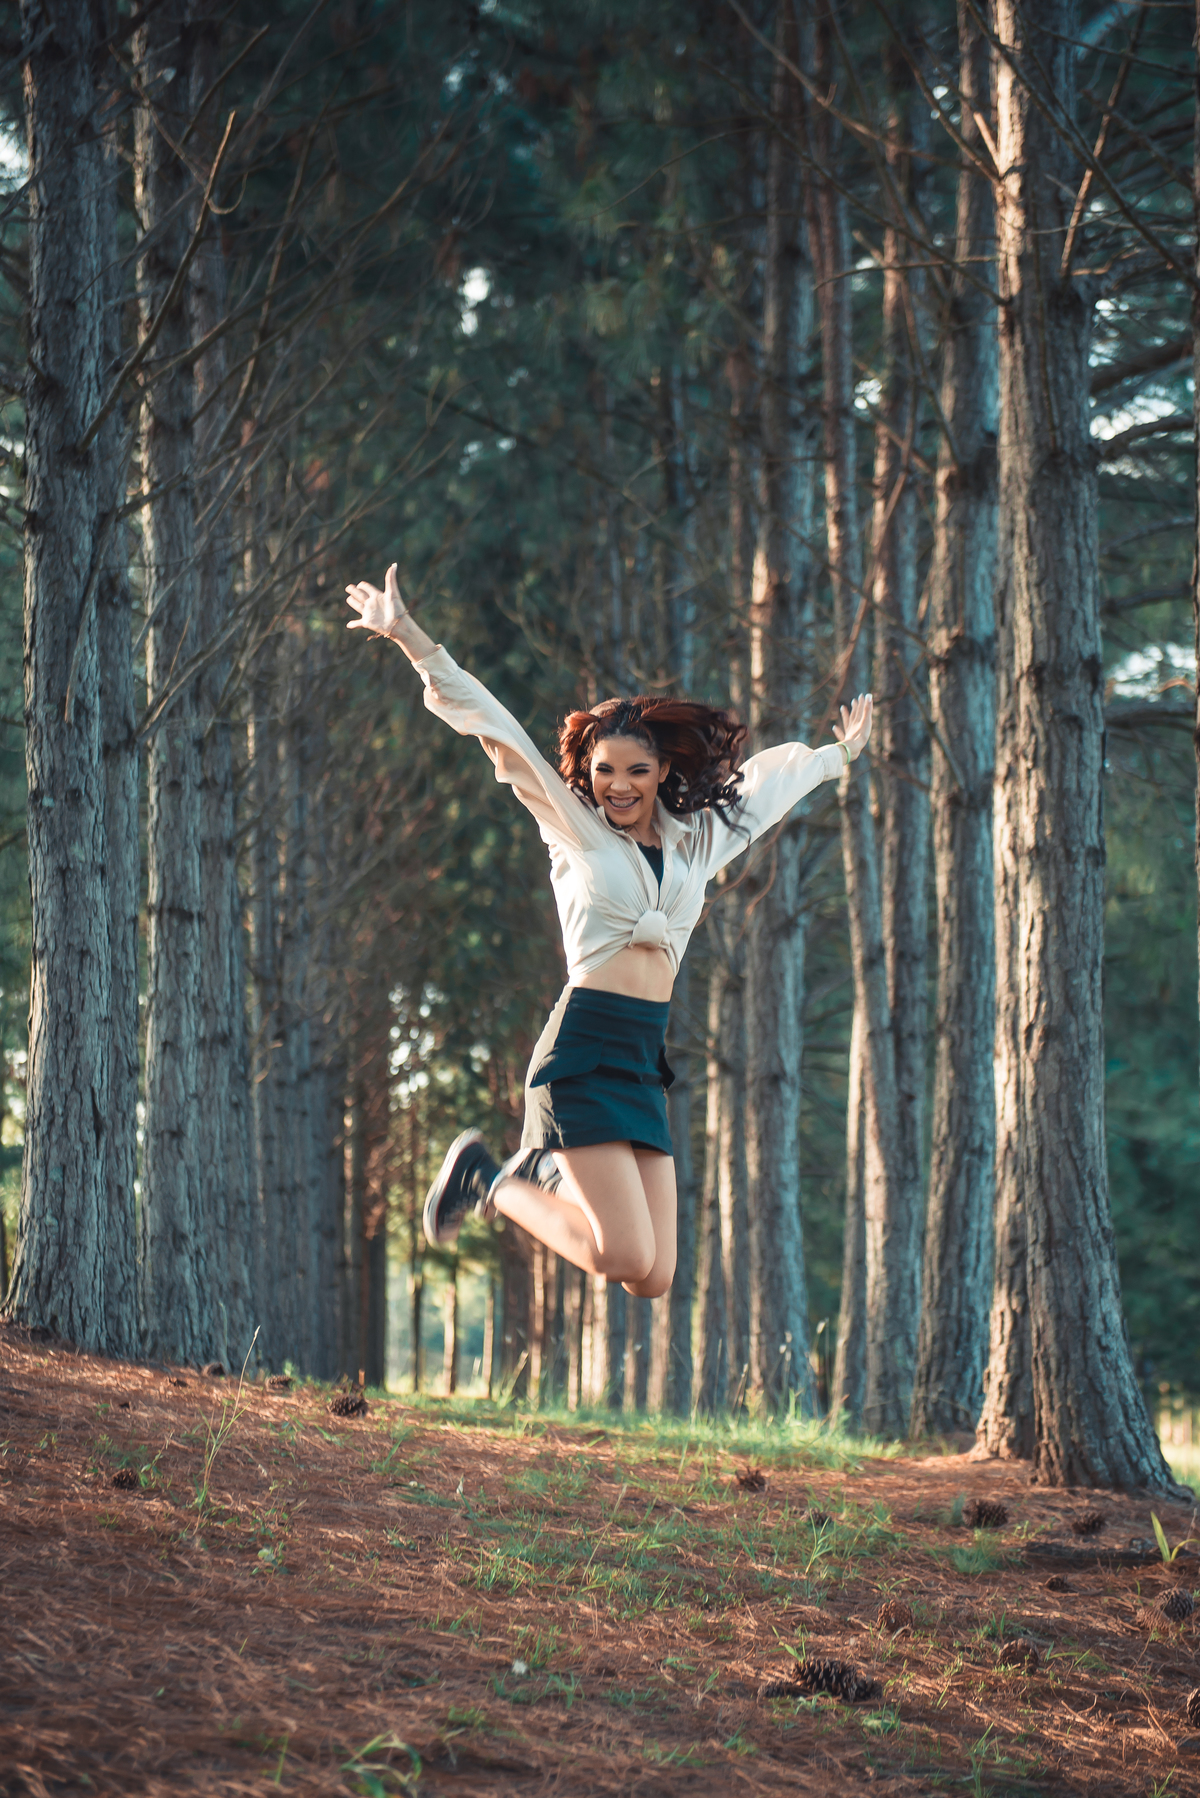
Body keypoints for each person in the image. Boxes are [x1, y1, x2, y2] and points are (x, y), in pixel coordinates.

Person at [346, 564, 872, 1300]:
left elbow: (762, 793)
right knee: (621, 1253)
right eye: (602, 772)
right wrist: (410, 638)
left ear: (662, 772)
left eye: (635, 772)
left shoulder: (695, 842)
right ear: (586, 774)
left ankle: (532, 1170)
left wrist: (834, 759)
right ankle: (491, 1178)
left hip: (640, 1053)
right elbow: (498, 734)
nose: (616, 786)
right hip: (585, 1048)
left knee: (651, 1278)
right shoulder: (577, 833)